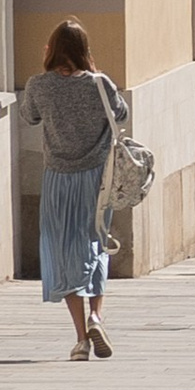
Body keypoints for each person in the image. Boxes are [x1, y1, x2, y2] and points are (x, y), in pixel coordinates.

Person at [22, 20, 123, 361]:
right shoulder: (99, 83)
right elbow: (120, 114)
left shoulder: (39, 85)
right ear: (84, 50)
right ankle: (97, 316)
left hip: (57, 179)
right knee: (95, 241)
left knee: (63, 249)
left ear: (51, 49)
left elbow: (29, 116)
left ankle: (81, 340)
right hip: (96, 179)